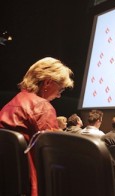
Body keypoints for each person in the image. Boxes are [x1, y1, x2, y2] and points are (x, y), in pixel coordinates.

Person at [0, 57, 74, 196]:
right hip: (31, 186)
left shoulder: (10, 104)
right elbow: (54, 156)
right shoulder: (42, 106)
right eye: (61, 89)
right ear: (47, 82)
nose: (59, 95)